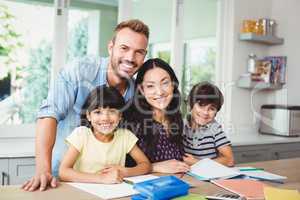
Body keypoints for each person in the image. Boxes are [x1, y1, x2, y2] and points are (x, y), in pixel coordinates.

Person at [22, 19, 149, 191]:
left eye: (139, 52)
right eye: (124, 48)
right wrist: (43, 170)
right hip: (61, 177)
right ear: (111, 47)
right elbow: (49, 114)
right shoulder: (79, 70)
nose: (130, 58)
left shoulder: (136, 91)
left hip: (110, 185)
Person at [59, 86, 151, 184]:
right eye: (98, 112)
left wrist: (126, 171)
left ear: (120, 115)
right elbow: (63, 172)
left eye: (112, 111)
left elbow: (145, 165)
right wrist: (101, 178)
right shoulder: (81, 134)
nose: (105, 118)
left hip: (113, 192)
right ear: (88, 115)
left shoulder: (125, 136)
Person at [124, 58, 190, 174]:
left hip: (181, 182)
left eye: (165, 83)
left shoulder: (176, 116)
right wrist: (154, 167)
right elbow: (123, 166)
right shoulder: (130, 120)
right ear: (142, 90)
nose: (159, 92)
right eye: (150, 86)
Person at [182, 81, 234, 167]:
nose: (205, 112)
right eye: (201, 105)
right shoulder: (181, 125)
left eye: (212, 108)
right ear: (190, 104)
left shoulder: (214, 128)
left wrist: (196, 162)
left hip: (207, 176)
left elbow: (229, 160)